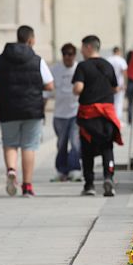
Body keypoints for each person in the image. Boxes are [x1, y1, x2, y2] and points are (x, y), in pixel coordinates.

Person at [0, 25, 54, 197]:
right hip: (32, 110)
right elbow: (50, 84)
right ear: (31, 39)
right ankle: (27, 186)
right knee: (29, 146)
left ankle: (11, 169)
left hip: (8, 108)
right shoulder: (37, 59)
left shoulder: (1, 59)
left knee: (10, 143)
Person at [72, 35, 122, 197]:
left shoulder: (82, 66)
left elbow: (78, 88)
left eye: (82, 47)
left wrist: (75, 90)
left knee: (87, 150)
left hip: (89, 115)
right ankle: (109, 177)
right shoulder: (108, 65)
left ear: (88, 47)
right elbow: (115, 87)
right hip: (107, 113)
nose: (81, 51)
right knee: (107, 146)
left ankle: (90, 185)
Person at [49, 43, 82, 182]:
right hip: (60, 113)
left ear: (74, 55)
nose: (68, 57)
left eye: (70, 54)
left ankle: (75, 169)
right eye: (65, 54)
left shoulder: (79, 68)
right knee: (61, 144)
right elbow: (47, 89)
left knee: (75, 142)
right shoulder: (55, 69)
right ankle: (62, 170)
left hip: (75, 112)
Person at [106, 46, 128, 123]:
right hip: (119, 85)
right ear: (119, 52)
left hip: (109, 85)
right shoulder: (121, 60)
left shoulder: (108, 59)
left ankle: (110, 118)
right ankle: (117, 120)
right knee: (119, 102)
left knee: (111, 102)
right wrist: (125, 83)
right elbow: (124, 72)